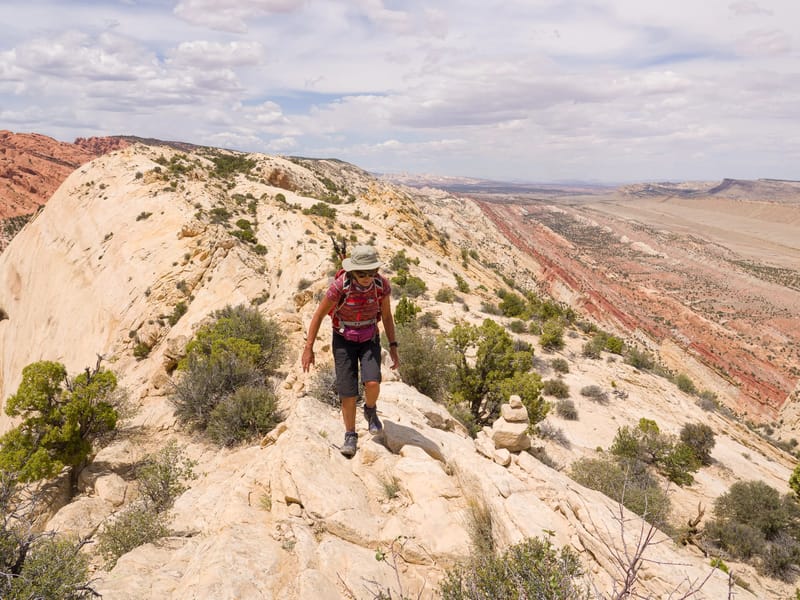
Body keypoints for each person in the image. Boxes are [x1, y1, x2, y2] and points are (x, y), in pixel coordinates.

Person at [302, 245, 400, 457]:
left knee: (372, 382)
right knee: (348, 392)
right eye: (361, 273)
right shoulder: (340, 286)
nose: (366, 277)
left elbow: (387, 316)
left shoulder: (381, 285)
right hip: (343, 339)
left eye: (371, 272)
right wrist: (308, 348)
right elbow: (318, 315)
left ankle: (370, 410)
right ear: (352, 271)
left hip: (369, 338)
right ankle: (350, 435)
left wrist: (393, 346)